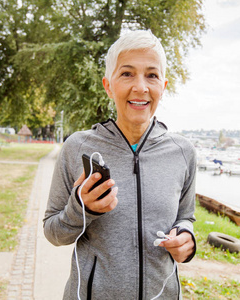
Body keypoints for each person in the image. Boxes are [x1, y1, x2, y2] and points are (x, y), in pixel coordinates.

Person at [44, 29, 197, 300]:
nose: (140, 87)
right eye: (127, 73)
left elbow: (186, 217)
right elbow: (53, 233)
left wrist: (187, 238)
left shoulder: (183, 152)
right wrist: (82, 209)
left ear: (163, 85)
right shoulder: (77, 147)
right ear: (108, 85)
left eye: (152, 75)